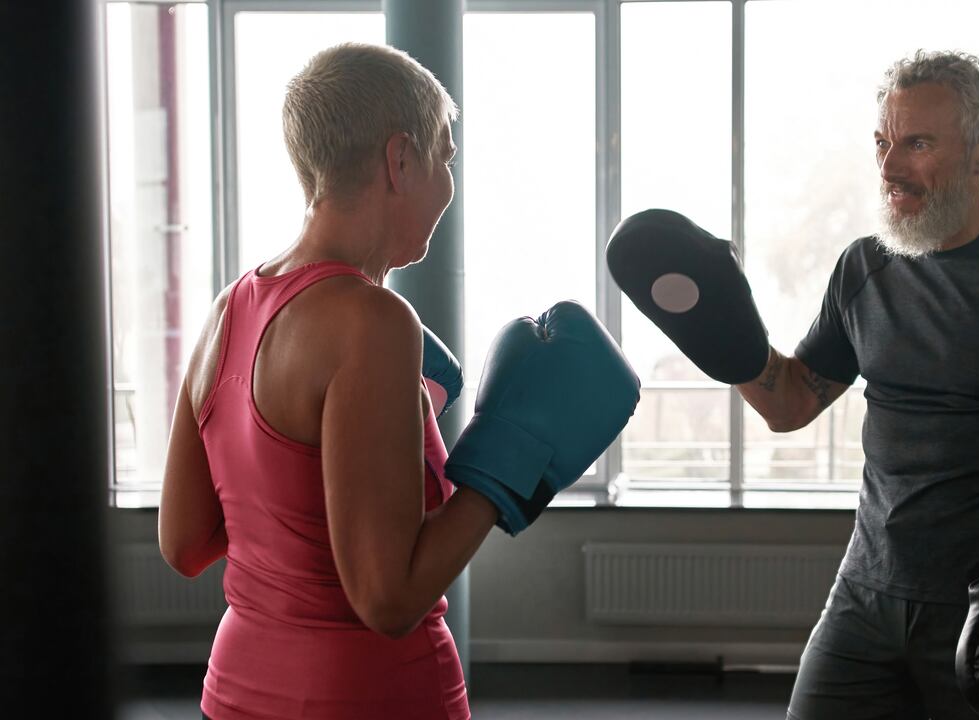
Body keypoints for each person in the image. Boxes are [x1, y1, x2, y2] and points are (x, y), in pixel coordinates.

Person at [608, 50, 979, 719]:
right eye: (882, 143)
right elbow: (791, 401)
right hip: (864, 596)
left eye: (917, 143)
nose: (890, 167)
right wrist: (723, 338)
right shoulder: (865, 267)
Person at [159, 42, 638, 720]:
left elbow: (183, 542)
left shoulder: (227, 311)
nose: (448, 181)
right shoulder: (374, 321)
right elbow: (388, 601)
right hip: (369, 696)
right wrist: (501, 459)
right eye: (445, 157)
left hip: (235, 691)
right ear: (400, 159)